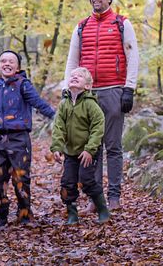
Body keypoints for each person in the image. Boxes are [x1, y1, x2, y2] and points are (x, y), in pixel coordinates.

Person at [64, 0, 139, 210]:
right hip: (87, 95)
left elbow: (132, 56)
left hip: (114, 90)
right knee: (91, 147)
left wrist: (129, 88)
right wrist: (69, 89)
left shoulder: (121, 23)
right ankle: (96, 198)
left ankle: (114, 196)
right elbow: (72, 60)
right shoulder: (81, 26)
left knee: (113, 146)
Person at [0, 50, 56, 229]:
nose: (7, 64)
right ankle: (1, 216)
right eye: (3, 61)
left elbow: (38, 103)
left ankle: (24, 215)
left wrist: (56, 116)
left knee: (21, 179)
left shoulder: (23, 85)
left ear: (18, 67)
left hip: (19, 139)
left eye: (11, 61)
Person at [51, 68, 109, 225]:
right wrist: (57, 147)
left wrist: (90, 149)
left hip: (87, 152)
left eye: (79, 76)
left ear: (88, 86)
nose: (74, 77)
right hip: (70, 152)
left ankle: (103, 211)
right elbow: (58, 127)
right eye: (72, 76)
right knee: (67, 183)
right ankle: (72, 214)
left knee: (86, 180)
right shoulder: (64, 104)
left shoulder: (91, 104)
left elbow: (98, 127)